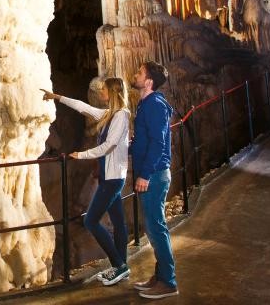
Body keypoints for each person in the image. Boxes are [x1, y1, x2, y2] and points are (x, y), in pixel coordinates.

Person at [41, 77, 131, 286]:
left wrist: (80, 155)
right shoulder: (110, 115)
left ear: (113, 93)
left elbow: (108, 146)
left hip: (112, 178)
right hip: (112, 176)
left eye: (105, 90)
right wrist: (57, 97)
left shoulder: (121, 116)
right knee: (119, 223)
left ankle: (119, 265)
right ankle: (121, 266)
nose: (101, 93)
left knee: (91, 220)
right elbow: (84, 108)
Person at [130, 61, 179, 300]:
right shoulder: (146, 104)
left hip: (155, 175)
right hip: (151, 173)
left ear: (148, 81)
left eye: (139, 73)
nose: (135, 75)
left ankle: (168, 282)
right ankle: (159, 277)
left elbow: (159, 144)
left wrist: (145, 174)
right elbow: (144, 140)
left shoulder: (155, 105)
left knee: (156, 227)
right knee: (152, 227)